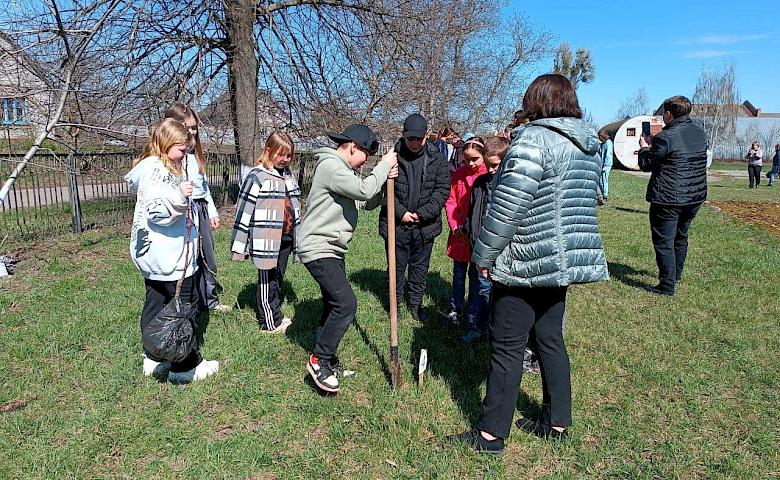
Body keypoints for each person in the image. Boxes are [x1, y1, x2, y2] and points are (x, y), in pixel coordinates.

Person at [447, 74, 608, 454]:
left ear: (535, 101)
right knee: (550, 339)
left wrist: (484, 255)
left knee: (506, 345)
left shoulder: (533, 141)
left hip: (525, 259)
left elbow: (506, 208)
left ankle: (490, 435)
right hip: (562, 260)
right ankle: (557, 420)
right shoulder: (587, 145)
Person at [297, 124, 398, 393]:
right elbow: (364, 191)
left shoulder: (343, 171)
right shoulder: (331, 166)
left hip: (332, 248)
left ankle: (327, 360)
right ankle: (319, 360)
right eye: (365, 154)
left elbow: (365, 200)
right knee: (345, 304)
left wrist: (385, 183)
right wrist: (384, 166)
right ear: (353, 146)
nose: (366, 161)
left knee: (333, 303)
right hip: (318, 247)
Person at [125, 118, 219, 383]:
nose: (185, 154)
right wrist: (179, 196)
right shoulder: (157, 171)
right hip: (170, 255)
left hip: (155, 255)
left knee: (155, 302)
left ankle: (154, 356)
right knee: (184, 306)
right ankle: (184, 365)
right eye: (181, 149)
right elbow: (157, 212)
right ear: (166, 143)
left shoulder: (155, 166)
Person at [373, 113, 450, 323]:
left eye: (419, 139)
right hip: (396, 226)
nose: (415, 143)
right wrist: (401, 213)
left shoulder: (437, 159)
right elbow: (383, 191)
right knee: (396, 268)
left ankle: (415, 305)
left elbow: (442, 190)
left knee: (419, 269)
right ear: (404, 136)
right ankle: (394, 305)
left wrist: (422, 214)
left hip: (425, 227)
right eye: (411, 139)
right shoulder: (391, 158)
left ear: (426, 135)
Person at [231, 131, 301, 332]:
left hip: (286, 236)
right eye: (281, 154)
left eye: (289, 155)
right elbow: (244, 211)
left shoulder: (288, 175)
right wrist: (240, 245)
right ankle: (268, 322)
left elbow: (295, 204)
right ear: (268, 151)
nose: (285, 159)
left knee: (278, 277)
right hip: (266, 239)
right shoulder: (257, 176)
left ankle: (276, 313)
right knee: (267, 279)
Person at [637, 95, 708, 296]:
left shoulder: (665, 137)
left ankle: (666, 286)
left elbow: (646, 164)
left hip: (668, 197)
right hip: (695, 196)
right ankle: (675, 275)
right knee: (681, 235)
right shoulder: (699, 133)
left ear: (669, 114)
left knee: (664, 241)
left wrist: (644, 147)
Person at [163, 103, 230, 312]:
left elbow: (204, 187)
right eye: (187, 127)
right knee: (188, 255)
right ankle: (186, 301)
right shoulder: (171, 158)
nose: (192, 132)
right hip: (183, 210)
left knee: (206, 255)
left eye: (194, 127)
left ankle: (209, 300)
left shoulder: (194, 156)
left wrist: (212, 212)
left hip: (200, 208)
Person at [459, 135, 510, 344]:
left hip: (504, 251)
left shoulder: (511, 185)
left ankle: (500, 334)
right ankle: (478, 326)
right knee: (482, 289)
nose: (490, 169)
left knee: (502, 295)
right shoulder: (480, 183)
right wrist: (472, 235)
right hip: (481, 247)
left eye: (495, 165)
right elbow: (472, 213)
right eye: (487, 165)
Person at [444, 137, 487, 331]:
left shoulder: (487, 174)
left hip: (478, 234)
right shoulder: (459, 174)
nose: (470, 163)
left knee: (477, 277)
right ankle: (456, 308)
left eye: (475, 159)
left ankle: (473, 312)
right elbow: (451, 200)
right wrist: (455, 225)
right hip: (460, 234)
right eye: (467, 159)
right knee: (459, 275)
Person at [597, 132, 614, 205]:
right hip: (602, 164)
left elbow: (608, 155)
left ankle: (605, 196)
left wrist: (605, 165)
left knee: (604, 180)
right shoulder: (603, 144)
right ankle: (601, 196)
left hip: (606, 165)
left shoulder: (608, 143)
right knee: (600, 180)